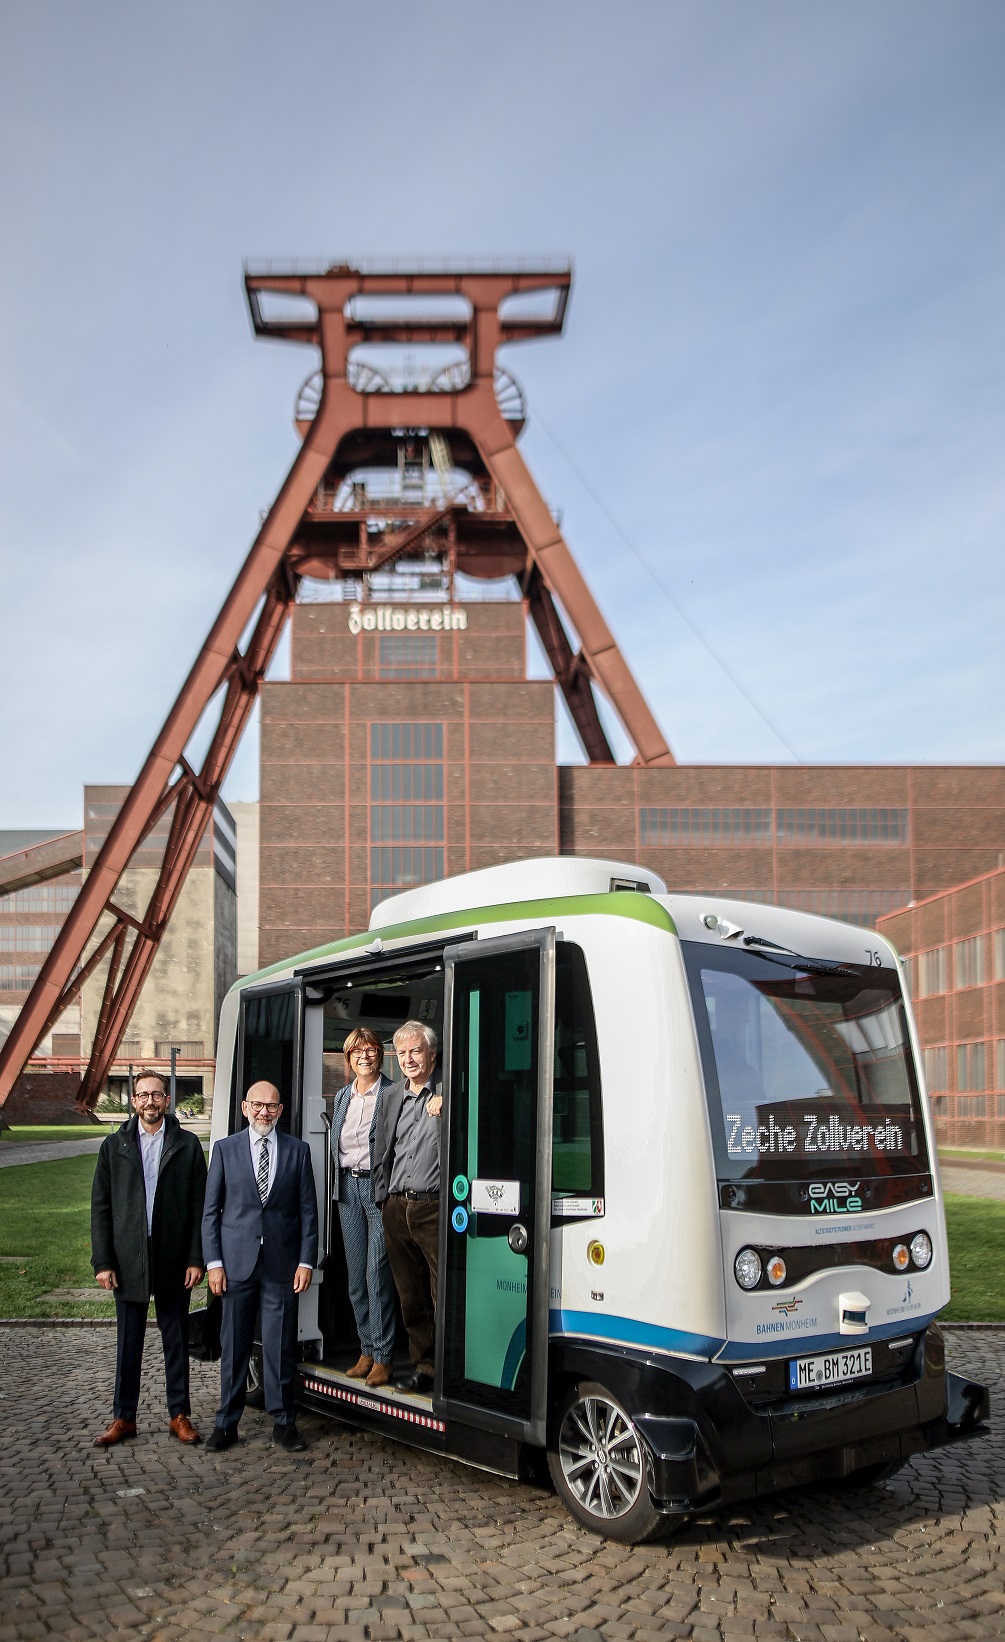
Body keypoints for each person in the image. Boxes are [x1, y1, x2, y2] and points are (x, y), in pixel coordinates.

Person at [90, 1069, 207, 1447]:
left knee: (176, 1339)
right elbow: (101, 1207)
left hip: (174, 1256)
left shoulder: (187, 1145)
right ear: (134, 1100)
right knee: (129, 1342)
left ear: (167, 1100)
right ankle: (124, 1417)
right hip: (128, 1257)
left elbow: (200, 1206)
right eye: (143, 1095)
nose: (150, 1101)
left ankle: (179, 1415)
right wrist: (103, 1262)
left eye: (157, 1095)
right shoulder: (114, 1146)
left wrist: (196, 1258)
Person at [202, 1080, 318, 1452]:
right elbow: (210, 1213)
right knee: (234, 1346)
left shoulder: (298, 1151)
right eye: (257, 1105)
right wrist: (214, 1263)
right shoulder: (225, 1150)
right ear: (245, 1107)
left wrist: (306, 1261)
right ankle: (226, 1424)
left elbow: (308, 1213)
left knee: (280, 1346)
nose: (264, 1112)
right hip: (235, 1265)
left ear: (280, 1110)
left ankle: (284, 1424)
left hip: (282, 1266)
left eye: (271, 1106)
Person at [372, 1021, 442, 1393]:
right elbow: (381, 1146)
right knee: (410, 1295)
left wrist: (450, 1101)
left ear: (433, 1053)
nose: (408, 1059)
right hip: (397, 1208)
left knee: (442, 1292)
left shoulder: (451, 1089)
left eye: (416, 1051)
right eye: (402, 1053)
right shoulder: (391, 1095)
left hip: (435, 1208)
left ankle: (450, 1371)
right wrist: (382, 1198)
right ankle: (425, 1367)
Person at [331, 1027, 397, 1388]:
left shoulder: (392, 1093)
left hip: (378, 1190)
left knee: (376, 1275)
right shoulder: (343, 1096)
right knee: (356, 1278)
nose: (364, 1057)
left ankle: (384, 1357)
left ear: (380, 1056)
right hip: (347, 1188)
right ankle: (366, 1349)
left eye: (370, 1050)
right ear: (348, 1058)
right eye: (357, 1052)